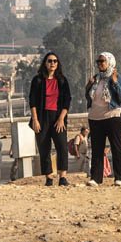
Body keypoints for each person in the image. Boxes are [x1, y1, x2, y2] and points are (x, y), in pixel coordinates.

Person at [85, 52, 121, 187]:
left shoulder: (117, 77)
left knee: (117, 148)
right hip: (96, 117)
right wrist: (88, 87)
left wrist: (115, 83)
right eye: (98, 61)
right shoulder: (95, 79)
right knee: (97, 149)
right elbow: (90, 98)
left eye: (102, 61)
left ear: (110, 62)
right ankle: (96, 178)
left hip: (113, 116)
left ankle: (119, 178)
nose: (100, 64)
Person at [29, 52, 72, 187]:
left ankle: (63, 177)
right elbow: (32, 101)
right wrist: (35, 120)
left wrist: (61, 119)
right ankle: (48, 177)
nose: (52, 63)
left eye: (55, 61)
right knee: (44, 148)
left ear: (58, 64)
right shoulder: (38, 80)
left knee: (62, 147)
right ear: (45, 63)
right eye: (49, 61)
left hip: (58, 117)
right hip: (42, 117)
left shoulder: (62, 81)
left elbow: (67, 101)